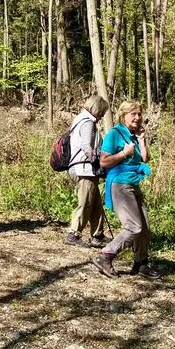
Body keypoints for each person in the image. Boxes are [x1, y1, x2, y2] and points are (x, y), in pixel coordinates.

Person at [92, 101, 158, 278]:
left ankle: (141, 264)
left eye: (139, 114)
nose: (137, 118)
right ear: (123, 115)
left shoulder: (133, 135)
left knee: (144, 227)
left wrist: (142, 140)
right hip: (119, 185)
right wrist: (123, 154)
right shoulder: (114, 134)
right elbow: (104, 162)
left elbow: (144, 159)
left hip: (133, 183)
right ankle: (105, 256)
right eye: (133, 114)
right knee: (134, 227)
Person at [65, 94, 110, 248]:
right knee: (85, 203)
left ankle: (98, 235)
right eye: (101, 112)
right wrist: (98, 162)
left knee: (96, 203)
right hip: (84, 169)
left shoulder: (78, 120)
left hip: (83, 168)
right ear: (95, 108)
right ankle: (73, 234)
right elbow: (86, 147)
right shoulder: (87, 123)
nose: (102, 116)